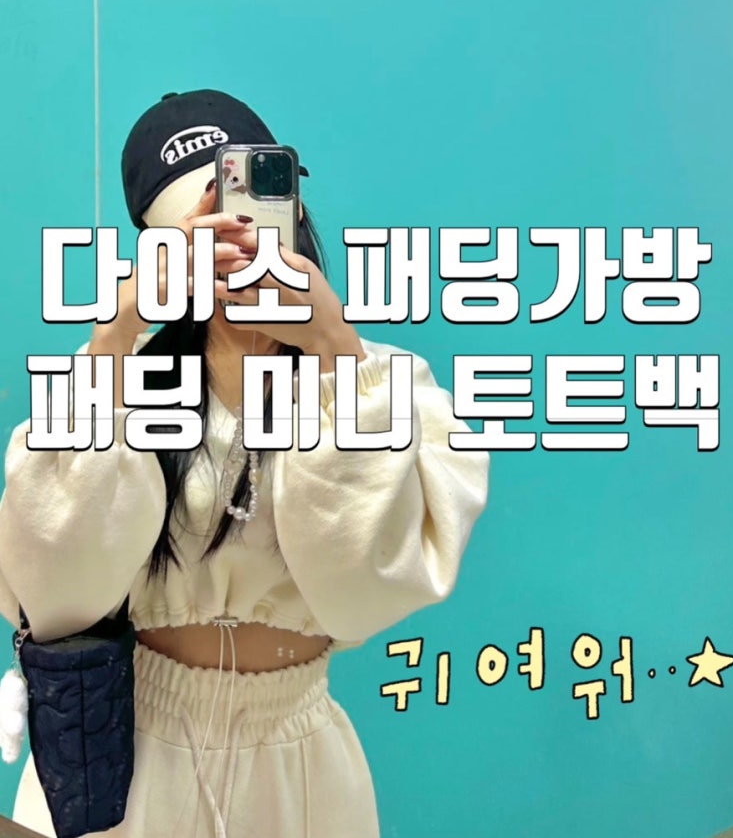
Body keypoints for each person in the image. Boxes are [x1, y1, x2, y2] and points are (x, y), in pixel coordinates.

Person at [0, 89, 490, 838]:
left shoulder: (379, 382)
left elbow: (371, 589)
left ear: (293, 213)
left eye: (251, 218)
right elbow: (54, 591)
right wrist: (116, 331)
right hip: (126, 754)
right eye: (204, 232)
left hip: (298, 761)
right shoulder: (118, 382)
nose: (236, 251)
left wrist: (334, 347)